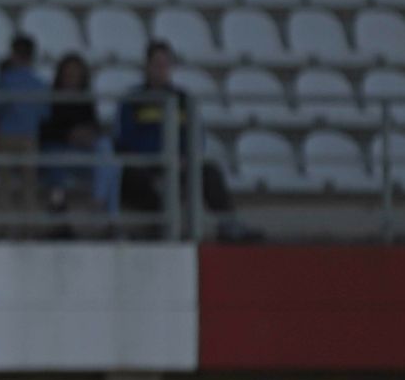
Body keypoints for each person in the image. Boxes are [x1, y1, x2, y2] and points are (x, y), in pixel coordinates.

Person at [115, 41, 250, 240]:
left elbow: (196, 136)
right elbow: (125, 139)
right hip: (146, 165)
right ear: (147, 66)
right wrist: (158, 157)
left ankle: (228, 224)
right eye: (156, 64)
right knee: (139, 179)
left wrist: (185, 157)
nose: (160, 70)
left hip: (180, 163)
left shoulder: (183, 99)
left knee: (209, 172)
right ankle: (161, 229)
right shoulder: (133, 100)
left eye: (165, 65)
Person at [37, 53, 120, 230]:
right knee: (57, 157)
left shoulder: (85, 100)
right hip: (59, 153)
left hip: (83, 154)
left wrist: (88, 135)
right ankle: (108, 216)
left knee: (110, 156)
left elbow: (94, 125)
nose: (71, 79)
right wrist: (69, 135)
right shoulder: (50, 99)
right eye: (68, 74)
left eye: (75, 75)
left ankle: (102, 205)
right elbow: (44, 131)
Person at [0, 35, 49, 235]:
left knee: (5, 183)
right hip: (29, 136)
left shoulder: (5, 80)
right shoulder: (38, 82)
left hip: (7, 134)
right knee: (29, 183)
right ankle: (30, 225)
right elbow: (44, 113)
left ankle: (3, 225)